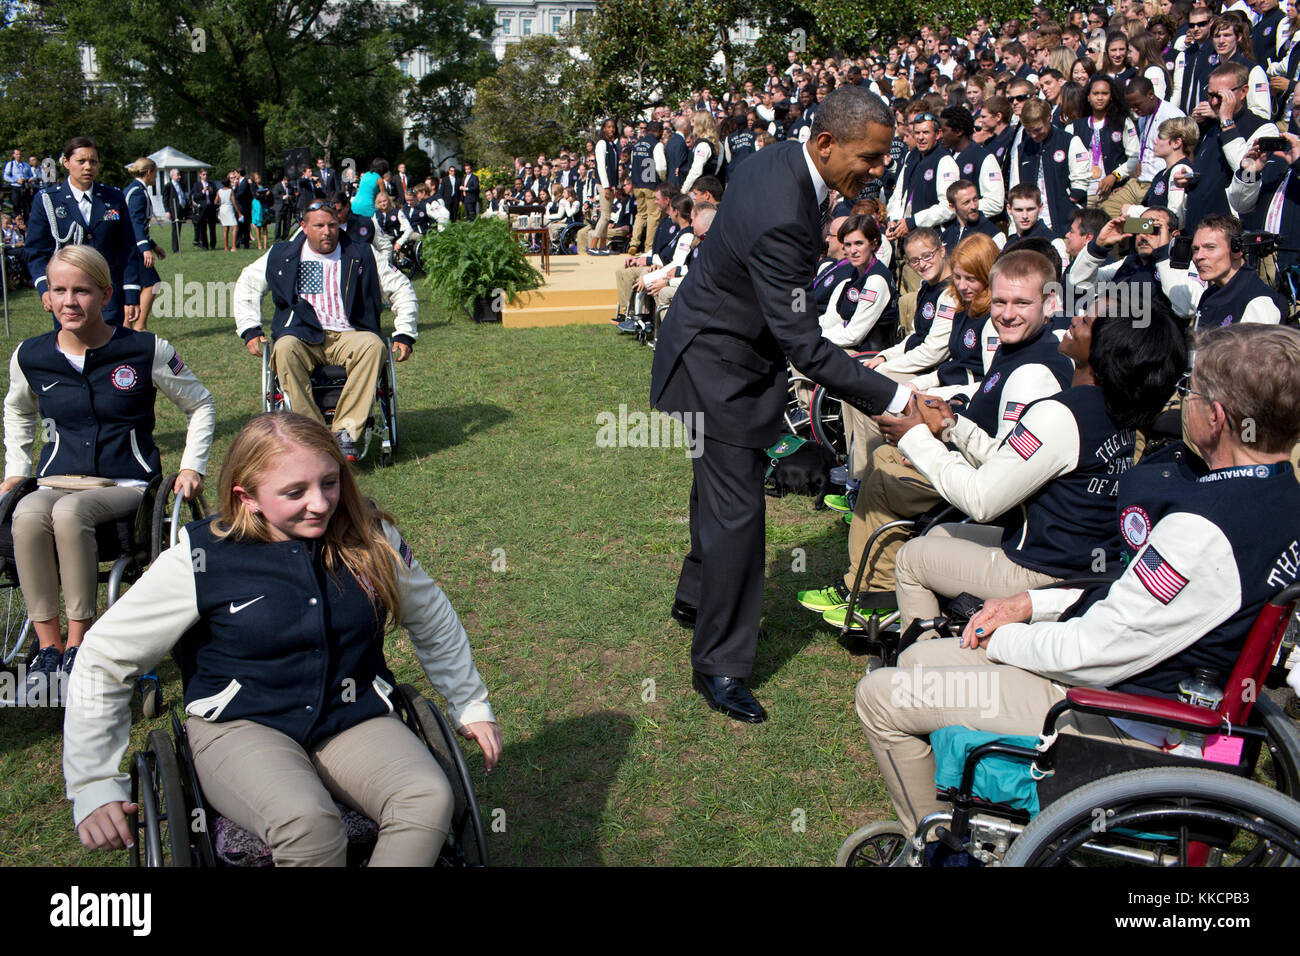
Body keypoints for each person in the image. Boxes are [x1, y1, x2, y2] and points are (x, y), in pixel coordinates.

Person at [854, 323, 1300, 835]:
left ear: (1216, 417)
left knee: (882, 696)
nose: (1184, 401)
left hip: (1128, 717)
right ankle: (964, 797)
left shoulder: (1205, 529)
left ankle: (933, 841)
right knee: (917, 656)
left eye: (1190, 392)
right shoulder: (1279, 501)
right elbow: (1137, 596)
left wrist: (1006, 638)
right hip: (1165, 692)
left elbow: (1090, 652)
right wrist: (1030, 605)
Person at [64, 411, 502, 865]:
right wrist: (93, 782)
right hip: (239, 724)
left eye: (329, 482)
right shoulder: (200, 559)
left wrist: (469, 702)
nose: (320, 503)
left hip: (349, 714)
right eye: (295, 492)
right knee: (306, 823)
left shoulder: (371, 539)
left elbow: (432, 617)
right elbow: (104, 656)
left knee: (427, 796)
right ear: (247, 497)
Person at [650, 86, 912, 723]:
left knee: (714, 494)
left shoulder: (775, 160)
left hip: (715, 350)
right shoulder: (785, 217)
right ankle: (719, 663)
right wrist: (894, 396)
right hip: (717, 369)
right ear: (825, 144)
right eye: (870, 158)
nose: (879, 170)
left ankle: (695, 598)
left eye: (884, 158)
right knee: (737, 513)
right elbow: (803, 342)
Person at [883, 295, 1185, 638]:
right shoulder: (1120, 410)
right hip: (1081, 561)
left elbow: (980, 500)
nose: (1076, 317)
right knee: (939, 534)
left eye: (1088, 320)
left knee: (912, 557)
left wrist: (916, 438)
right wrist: (953, 425)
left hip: (1046, 572)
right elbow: (1012, 462)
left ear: (1109, 349)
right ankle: (960, 631)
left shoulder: (1061, 414)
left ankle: (921, 667)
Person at [1, 245, 214, 697]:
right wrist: (17, 470)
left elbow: (201, 403)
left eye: (82, 290)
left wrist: (192, 465)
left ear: (105, 294)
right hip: (55, 479)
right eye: (59, 290)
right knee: (27, 513)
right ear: (46, 297)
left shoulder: (143, 349)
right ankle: (48, 648)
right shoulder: (31, 355)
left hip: (127, 484)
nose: (69, 301)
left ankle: (81, 642)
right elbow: (17, 412)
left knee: (69, 513)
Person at [233, 201, 417, 462]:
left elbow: (401, 287)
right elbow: (247, 284)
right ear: (305, 227)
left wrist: (404, 332)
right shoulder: (283, 254)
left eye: (332, 225)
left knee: (373, 346)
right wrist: (250, 329)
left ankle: (345, 434)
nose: (327, 231)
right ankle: (313, 435)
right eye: (319, 225)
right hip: (302, 333)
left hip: (349, 333)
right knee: (283, 348)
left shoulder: (361, 253)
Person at [24, 136, 143, 328]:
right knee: (72, 351)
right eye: (81, 161)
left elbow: (127, 249)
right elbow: (36, 251)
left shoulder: (113, 198)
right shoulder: (48, 201)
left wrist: (131, 294)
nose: (88, 167)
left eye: (93, 161)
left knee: (110, 350)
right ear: (66, 162)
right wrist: (44, 289)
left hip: (108, 295)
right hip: (68, 298)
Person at [122, 158, 165, 331]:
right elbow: (135, 223)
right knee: (152, 283)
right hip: (132, 247)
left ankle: (128, 326)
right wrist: (145, 248)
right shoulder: (138, 193)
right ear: (149, 172)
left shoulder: (135, 189)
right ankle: (139, 326)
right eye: (155, 173)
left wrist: (153, 246)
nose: (156, 177)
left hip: (134, 245)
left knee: (134, 287)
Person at [191, 168, 218, 251]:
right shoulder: (197, 185)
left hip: (210, 207)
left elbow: (216, 194)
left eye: (206, 174)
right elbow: (195, 197)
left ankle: (213, 244)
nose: (205, 176)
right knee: (203, 227)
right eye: (203, 174)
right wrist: (203, 191)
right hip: (202, 208)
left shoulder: (211, 184)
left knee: (212, 227)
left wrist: (211, 191)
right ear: (200, 175)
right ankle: (205, 245)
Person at [163, 169, 188, 254]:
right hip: (173, 209)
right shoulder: (168, 186)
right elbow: (165, 199)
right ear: (172, 176)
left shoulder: (180, 184)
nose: (179, 176)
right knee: (175, 229)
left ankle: (178, 246)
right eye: (177, 175)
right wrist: (167, 211)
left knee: (179, 228)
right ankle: (175, 248)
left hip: (181, 208)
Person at [217, 171, 241, 252]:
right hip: (229, 208)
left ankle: (226, 247)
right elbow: (234, 202)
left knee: (225, 229)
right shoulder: (230, 191)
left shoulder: (219, 191)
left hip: (222, 208)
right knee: (234, 227)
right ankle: (233, 246)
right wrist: (239, 212)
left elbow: (215, 201)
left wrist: (220, 203)